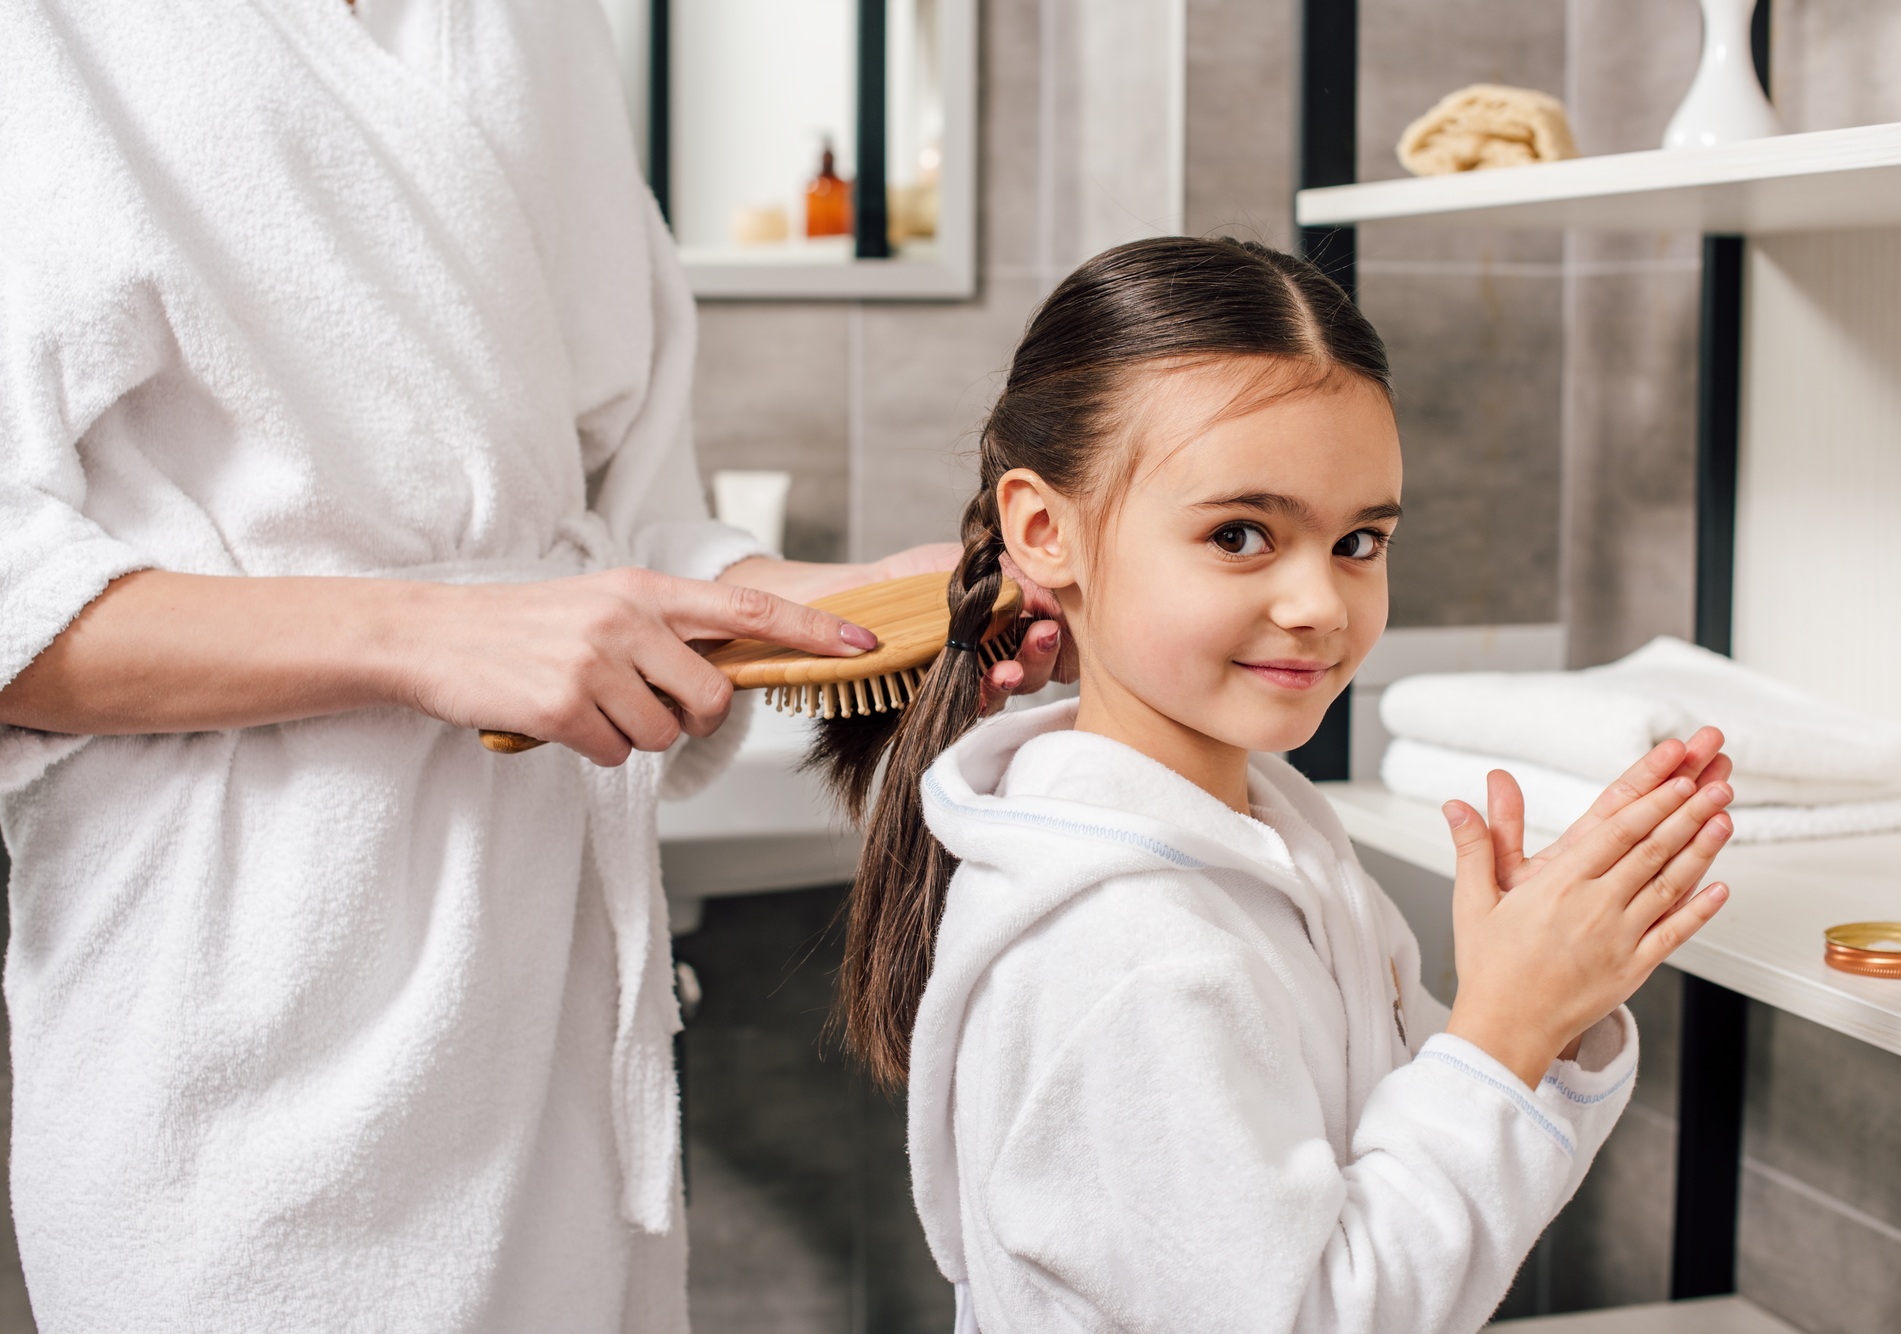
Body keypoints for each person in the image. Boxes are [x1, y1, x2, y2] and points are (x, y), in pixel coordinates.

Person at [0, 2, 1060, 1331]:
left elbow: (614, 527)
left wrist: (803, 602)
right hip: (234, 1000)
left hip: (547, 997)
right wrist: (424, 637)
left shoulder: (532, 22)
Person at [818, 237, 1738, 1333]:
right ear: (1043, 529)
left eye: (1358, 540)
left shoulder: (1259, 835)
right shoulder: (1128, 945)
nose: (1319, 602)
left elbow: (1388, 1155)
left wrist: (1548, 1000)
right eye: (1240, 534)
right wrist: (1502, 1028)